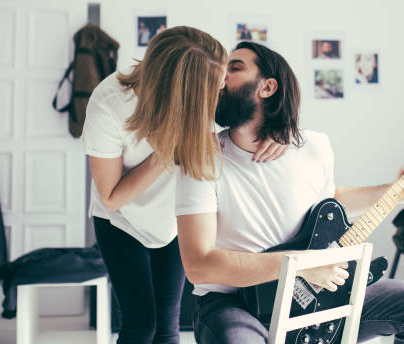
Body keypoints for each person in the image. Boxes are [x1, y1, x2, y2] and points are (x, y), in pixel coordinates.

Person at [176, 41, 404, 344]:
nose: (219, 78)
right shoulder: (201, 157)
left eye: (234, 68)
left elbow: (327, 200)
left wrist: (397, 192)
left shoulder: (314, 146)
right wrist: (302, 265)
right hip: (233, 301)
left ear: (267, 88)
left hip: (313, 291)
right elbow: (199, 266)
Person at [81, 27, 286, 344]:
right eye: (216, 85)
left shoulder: (206, 92)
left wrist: (276, 133)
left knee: (167, 324)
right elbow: (111, 197)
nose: (222, 90)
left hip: (174, 220)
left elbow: (250, 120)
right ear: (182, 90)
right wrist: (168, 146)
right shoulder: (109, 105)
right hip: (122, 220)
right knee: (140, 324)